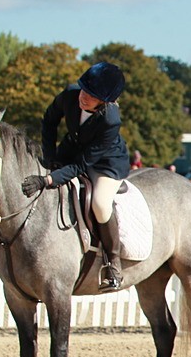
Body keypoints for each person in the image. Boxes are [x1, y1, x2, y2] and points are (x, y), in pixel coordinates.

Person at [25, 62, 130, 292]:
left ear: (104, 101)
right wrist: (50, 158)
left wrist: (49, 180)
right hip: (72, 151)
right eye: (84, 89)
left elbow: (83, 164)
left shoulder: (110, 119)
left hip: (105, 163)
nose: (84, 97)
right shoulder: (70, 95)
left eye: (91, 96)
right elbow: (49, 121)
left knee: (101, 204)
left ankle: (113, 263)